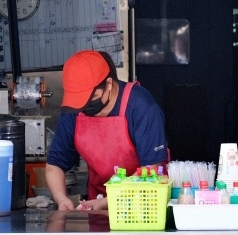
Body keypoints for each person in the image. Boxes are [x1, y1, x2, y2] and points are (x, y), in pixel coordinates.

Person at [45, 50, 168, 211]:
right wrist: (62, 200)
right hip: (97, 204)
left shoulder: (141, 106)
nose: (84, 105)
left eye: (91, 96)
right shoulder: (73, 110)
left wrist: (111, 201)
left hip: (145, 205)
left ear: (108, 84)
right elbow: (54, 165)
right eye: (79, 100)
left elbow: (151, 171)